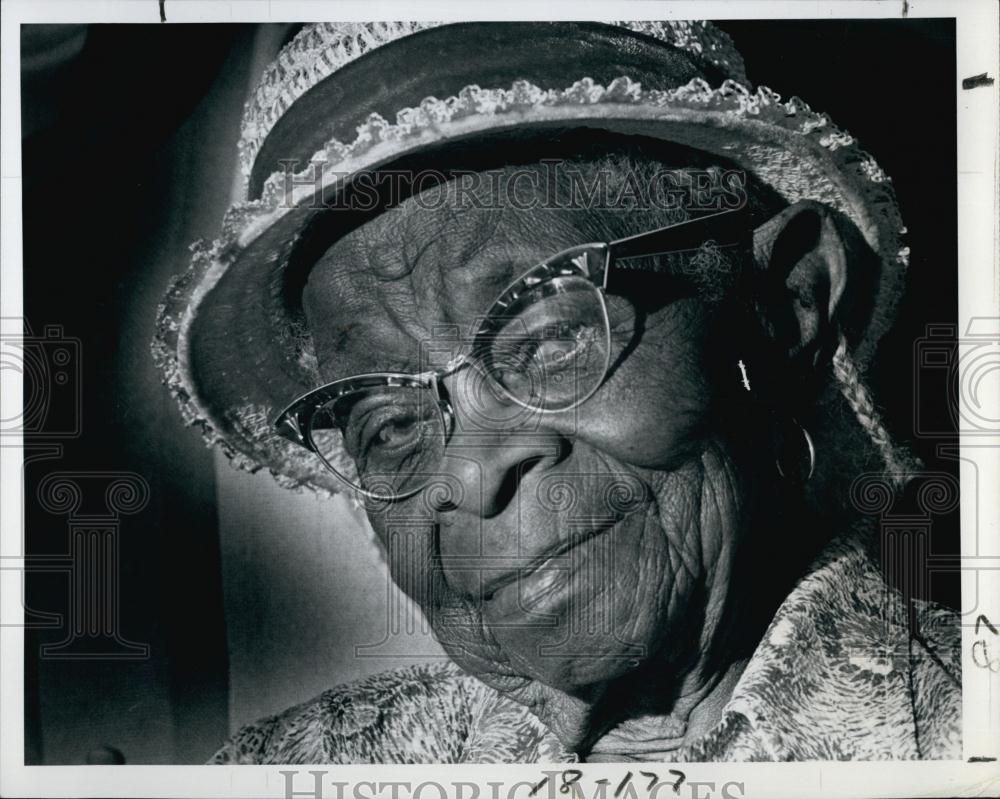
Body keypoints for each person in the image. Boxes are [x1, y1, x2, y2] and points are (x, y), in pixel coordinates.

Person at [153, 20, 960, 762]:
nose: (469, 477)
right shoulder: (298, 765)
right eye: (389, 424)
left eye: (546, 336)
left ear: (786, 305)